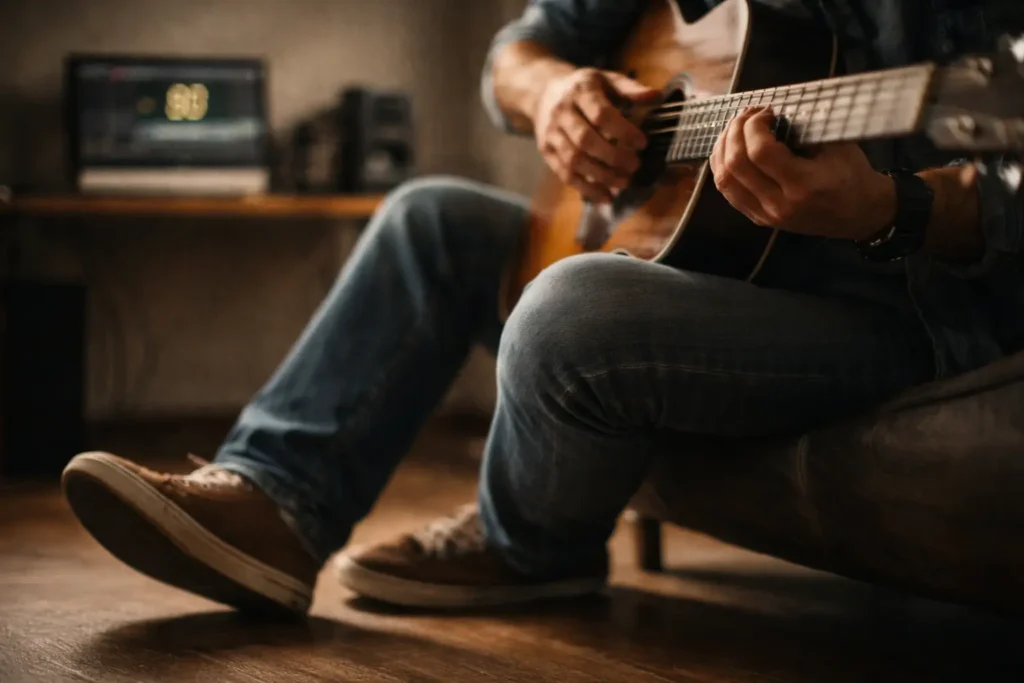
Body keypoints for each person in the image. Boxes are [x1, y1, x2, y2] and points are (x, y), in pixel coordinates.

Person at [62, 0, 1023, 615]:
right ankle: (275, 499)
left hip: (899, 315)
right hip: (708, 267)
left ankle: (534, 548)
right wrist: (557, 92)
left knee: (571, 309)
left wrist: (898, 207)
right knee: (426, 215)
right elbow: (513, 54)